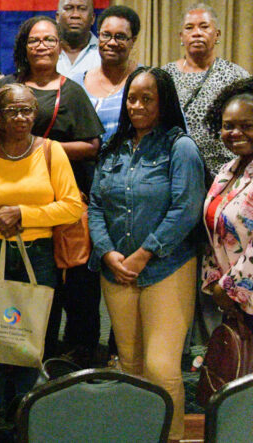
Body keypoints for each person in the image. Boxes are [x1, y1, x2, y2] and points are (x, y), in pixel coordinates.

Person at [88, 67, 204, 442]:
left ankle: (170, 437)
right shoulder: (113, 146)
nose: (136, 106)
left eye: (146, 99)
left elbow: (186, 209)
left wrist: (144, 253)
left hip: (166, 267)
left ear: (163, 102)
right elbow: (94, 206)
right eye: (131, 99)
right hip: (115, 270)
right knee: (130, 365)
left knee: (161, 367)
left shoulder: (180, 147)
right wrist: (107, 252)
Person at [0, 83, 84, 423]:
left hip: (38, 254)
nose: (20, 117)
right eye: (12, 111)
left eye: (27, 110)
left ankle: (28, 417)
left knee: (32, 333)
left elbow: (72, 206)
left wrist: (22, 214)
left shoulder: (51, 151)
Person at [0, 15, 103, 365]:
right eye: (34, 40)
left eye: (49, 40)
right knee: (25, 290)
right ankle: (23, 367)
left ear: (59, 47)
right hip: (13, 200)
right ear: (23, 47)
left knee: (73, 289)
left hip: (61, 205)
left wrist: (43, 148)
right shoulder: (7, 85)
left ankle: (73, 366)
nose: (41, 46)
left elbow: (92, 145)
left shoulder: (72, 91)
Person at [164, 3, 249, 176]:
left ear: (217, 34)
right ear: (181, 36)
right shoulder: (165, 76)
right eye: (189, 28)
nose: (196, 33)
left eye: (204, 26)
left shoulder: (236, 76)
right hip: (176, 170)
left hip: (225, 172)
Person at [202, 77, 253, 328]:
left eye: (247, 126)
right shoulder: (226, 171)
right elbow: (214, 227)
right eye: (228, 126)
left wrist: (228, 289)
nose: (235, 133)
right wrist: (216, 283)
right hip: (232, 301)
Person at [82, 5, 140, 143]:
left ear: (133, 41)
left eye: (120, 37)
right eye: (106, 35)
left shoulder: (146, 80)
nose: (112, 43)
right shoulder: (78, 82)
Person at [55, 0, 100, 84]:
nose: (75, 15)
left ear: (92, 18)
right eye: (68, 8)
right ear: (57, 17)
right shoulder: (45, 51)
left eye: (82, 9)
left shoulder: (103, 53)